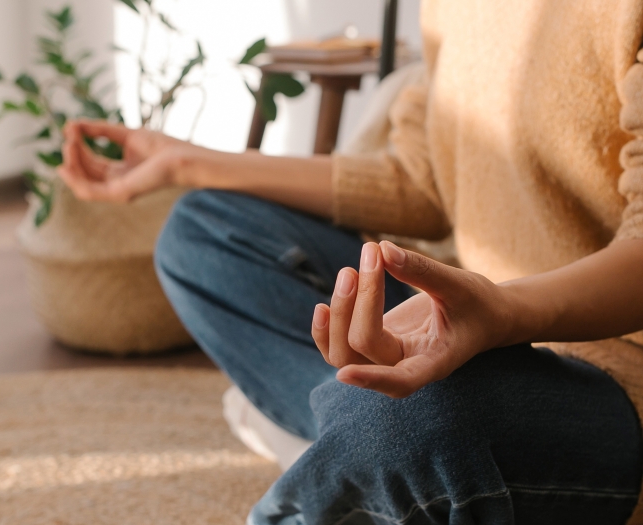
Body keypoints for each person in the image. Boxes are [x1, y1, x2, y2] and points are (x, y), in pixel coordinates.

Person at [58, 1, 643, 523]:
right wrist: (187, 164)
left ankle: (365, 447)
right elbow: (421, 182)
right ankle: (370, 445)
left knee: (414, 424)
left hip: (614, 367)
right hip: (473, 318)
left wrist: (505, 312)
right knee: (203, 232)